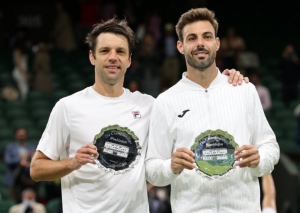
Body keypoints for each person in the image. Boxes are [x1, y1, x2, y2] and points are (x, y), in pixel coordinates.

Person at [30, 16, 247, 213]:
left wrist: (225, 80)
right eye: (105, 51)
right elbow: (36, 169)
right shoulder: (68, 107)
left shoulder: (149, 106)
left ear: (129, 60)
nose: (113, 57)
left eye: (120, 52)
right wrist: (72, 163)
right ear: (92, 57)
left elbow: (193, 112)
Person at [145, 8, 280, 213]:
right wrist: (170, 167)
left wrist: (260, 159)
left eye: (207, 36)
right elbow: (152, 169)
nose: (200, 43)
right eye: (192, 38)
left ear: (217, 43)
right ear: (180, 46)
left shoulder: (244, 90)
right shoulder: (165, 102)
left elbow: (271, 147)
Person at [4, 127, 38, 203]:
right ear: (16, 135)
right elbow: (7, 161)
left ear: (26, 135)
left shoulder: (31, 147)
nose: (21, 135)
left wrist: (29, 160)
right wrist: (20, 159)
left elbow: (37, 161)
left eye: (23, 134)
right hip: (14, 180)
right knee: (15, 201)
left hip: (29, 179)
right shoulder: (10, 147)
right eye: (19, 134)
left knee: (31, 200)